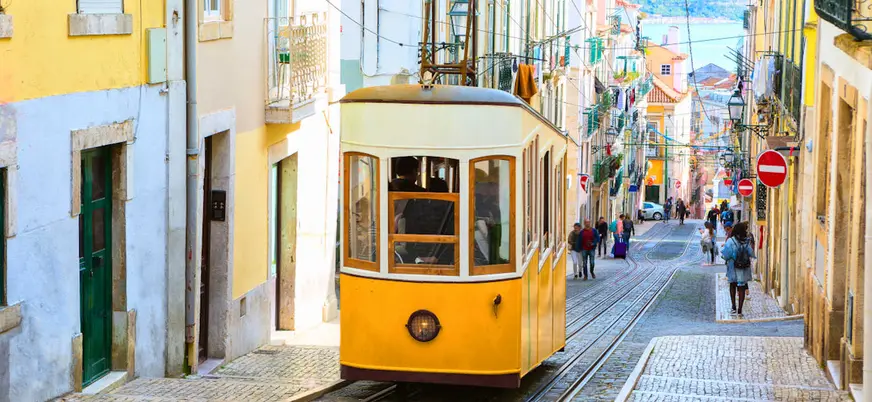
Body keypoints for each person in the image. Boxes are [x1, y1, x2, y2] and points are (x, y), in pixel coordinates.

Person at [722, 222, 756, 317]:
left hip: (732, 267)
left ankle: (733, 307)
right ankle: (740, 310)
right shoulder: (746, 241)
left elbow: (725, 255)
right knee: (741, 287)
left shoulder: (730, 241)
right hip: (743, 268)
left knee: (732, 285)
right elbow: (752, 254)